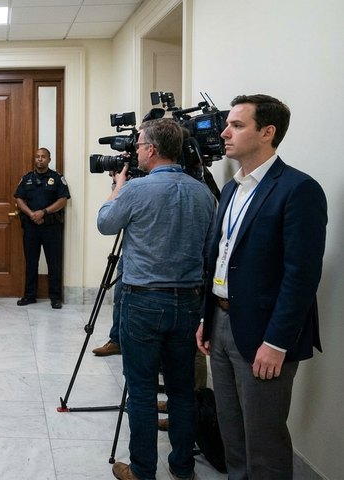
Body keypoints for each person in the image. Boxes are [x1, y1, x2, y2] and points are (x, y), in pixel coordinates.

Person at [197, 94, 327, 479]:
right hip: (221, 325)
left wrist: (277, 342)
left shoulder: (298, 189)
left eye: (237, 125)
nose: (224, 132)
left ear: (267, 133)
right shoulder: (233, 190)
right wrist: (207, 317)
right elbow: (220, 258)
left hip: (265, 334)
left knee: (264, 441)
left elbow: (300, 275)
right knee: (232, 434)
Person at [97, 118, 215, 480]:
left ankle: (143, 470)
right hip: (189, 303)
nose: (135, 150)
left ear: (151, 149)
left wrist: (117, 187)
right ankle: (182, 467)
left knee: (142, 388)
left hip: (143, 301)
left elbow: (105, 223)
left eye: (138, 145)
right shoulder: (204, 194)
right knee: (181, 390)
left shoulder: (137, 189)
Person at [14, 147, 70, 309]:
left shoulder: (57, 178)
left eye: (43, 157)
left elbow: (63, 200)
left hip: (51, 227)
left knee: (54, 262)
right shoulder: (26, 179)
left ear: (49, 160)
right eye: (37, 156)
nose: (40, 159)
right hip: (31, 227)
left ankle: (55, 297)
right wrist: (32, 214)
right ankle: (29, 295)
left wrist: (43, 212)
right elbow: (19, 199)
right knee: (31, 262)